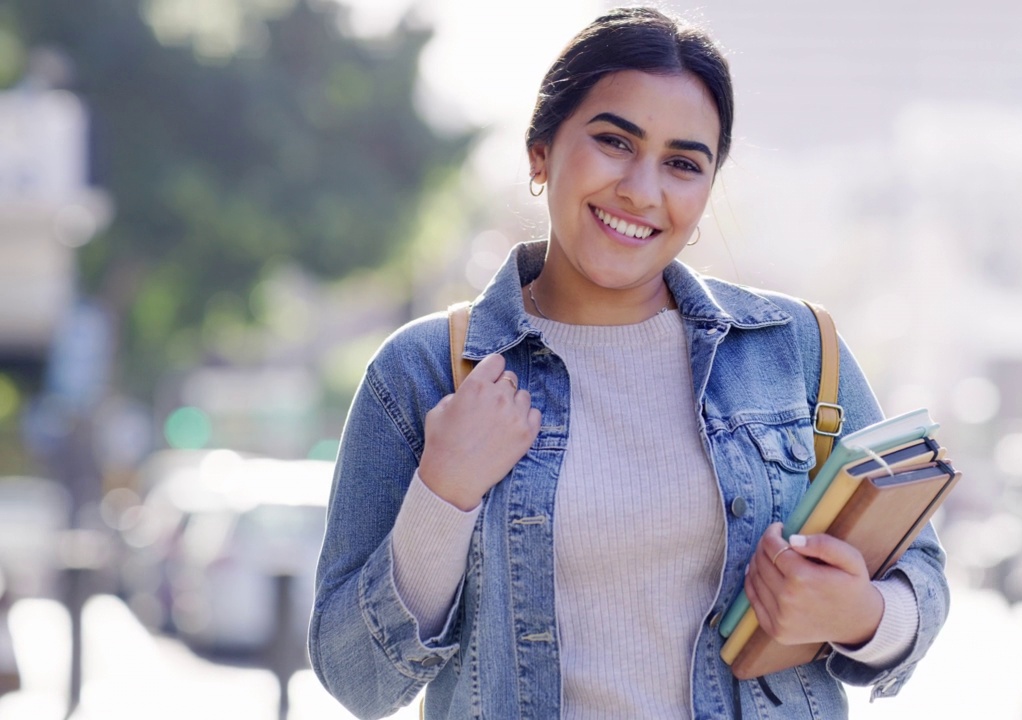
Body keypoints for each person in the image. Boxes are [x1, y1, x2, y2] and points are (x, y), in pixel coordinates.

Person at [309, 7, 948, 719]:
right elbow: (354, 679)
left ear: (706, 193)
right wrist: (443, 493)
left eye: (682, 163)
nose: (642, 191)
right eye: (615, 141)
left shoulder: (794, 350)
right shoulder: (427, 372)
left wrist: (859, 614)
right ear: (540, 151)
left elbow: (922, 578)